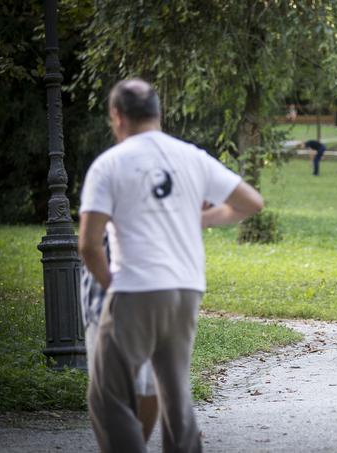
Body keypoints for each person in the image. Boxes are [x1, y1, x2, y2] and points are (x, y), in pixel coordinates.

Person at [78, 78, 263, 452]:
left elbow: (88, 243)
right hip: (186, 290)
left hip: (135, 288)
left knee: (108, 398)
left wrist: (110, 283)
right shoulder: (191, 156)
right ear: (158, 113)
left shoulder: (110, 164)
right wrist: (204, 219)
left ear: (116, 116)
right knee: (176, 396)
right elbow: (251, 202)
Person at [79, 237, 158, 442]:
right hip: (108, 296)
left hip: (159, 292)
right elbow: (89, 244)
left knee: (150, 388)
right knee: (112, 396)